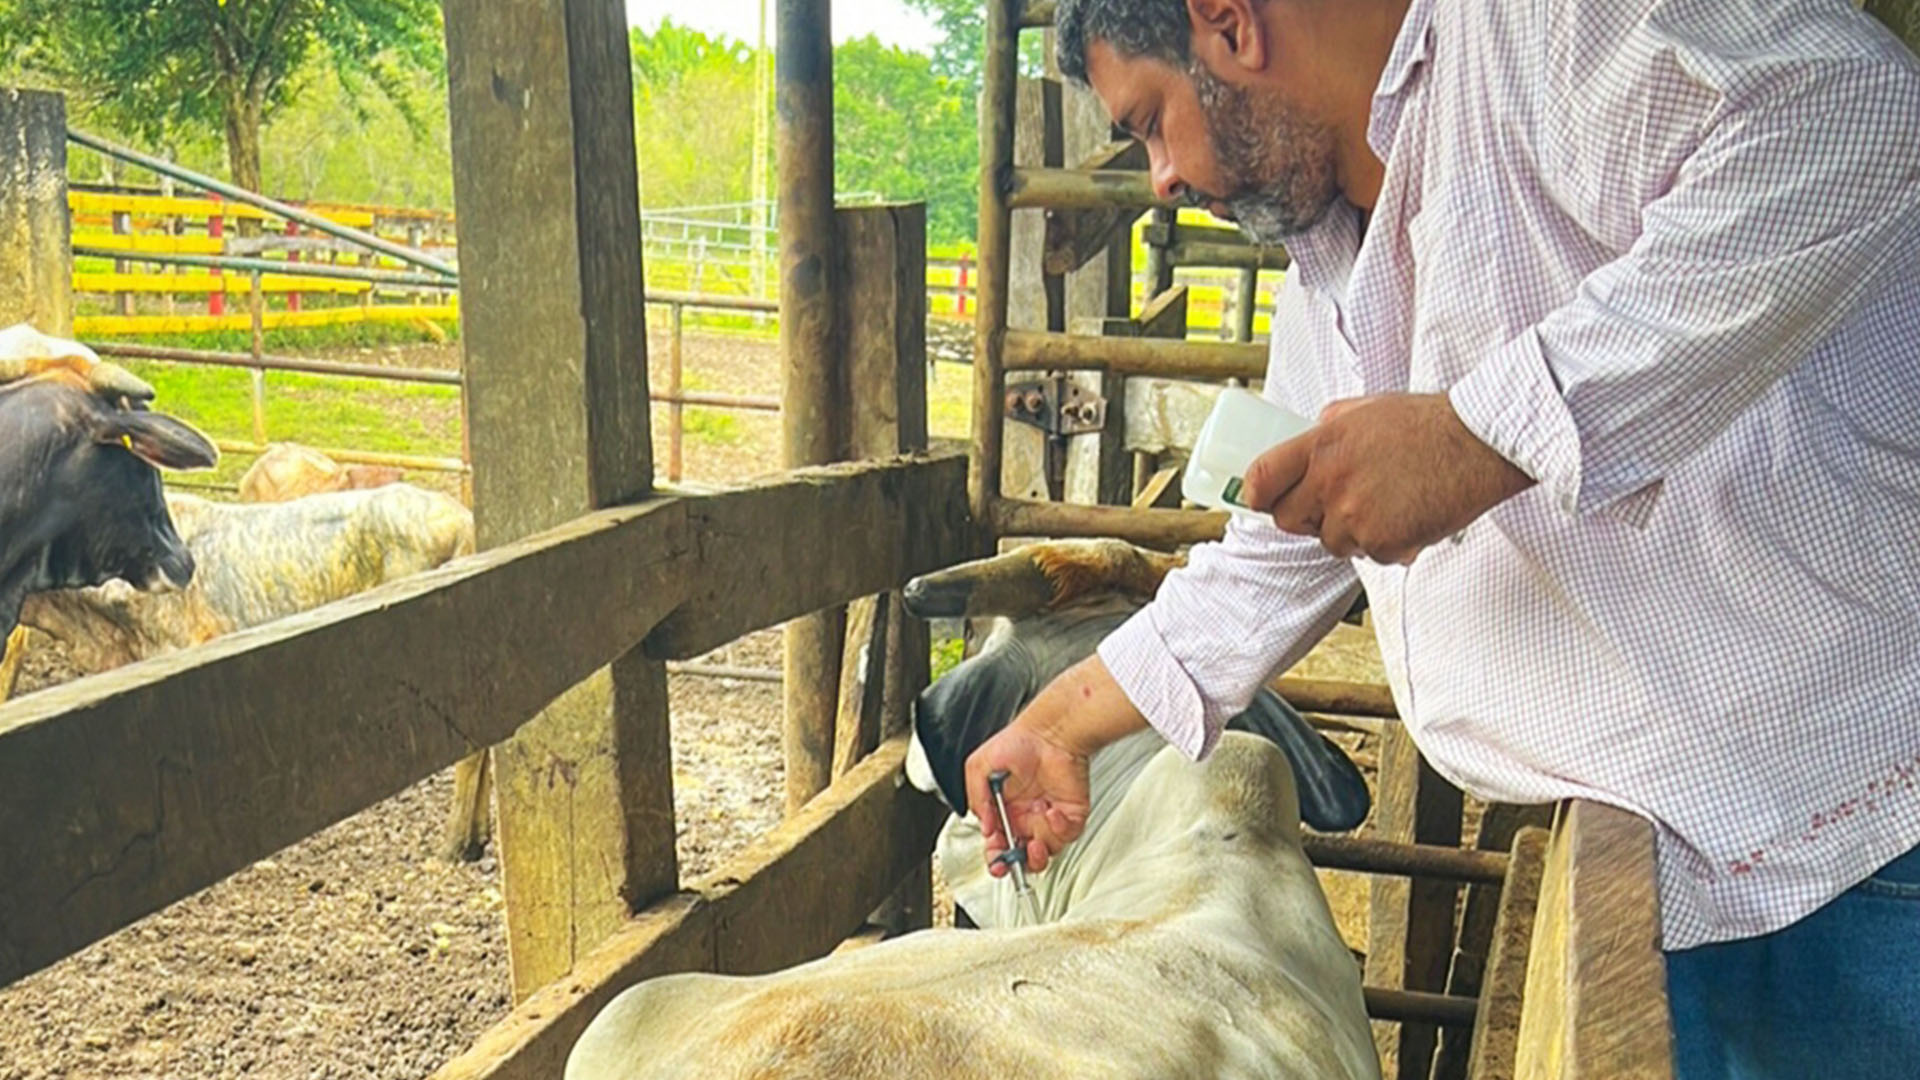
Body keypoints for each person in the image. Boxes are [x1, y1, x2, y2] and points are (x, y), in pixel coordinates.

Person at [961, 0, 1920, 1076]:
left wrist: (1481, 436)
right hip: (1682, 856)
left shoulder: (1543, 30)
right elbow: (1277, 552)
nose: (1162, 178)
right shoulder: (1334, 267)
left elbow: (1854, 116)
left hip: (1860, 830)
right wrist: (1066, 721)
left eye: (1148, 121)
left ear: (1229, 23)